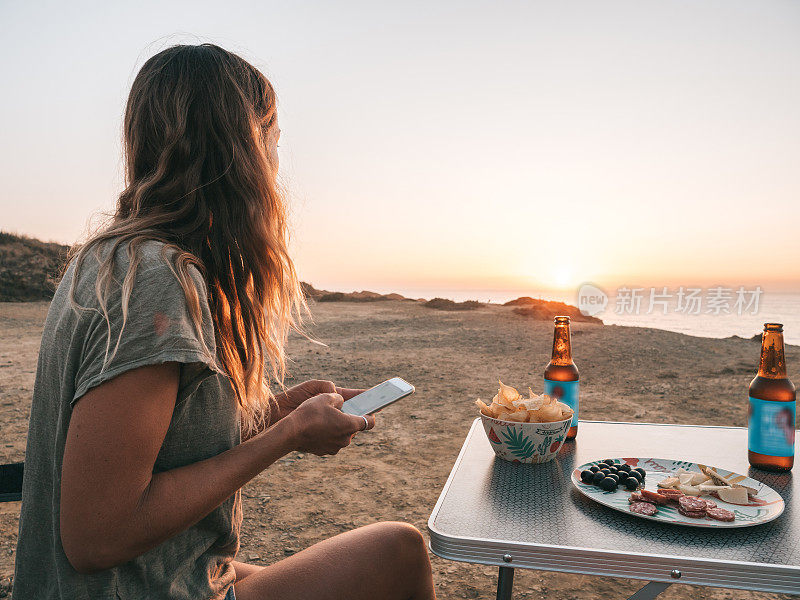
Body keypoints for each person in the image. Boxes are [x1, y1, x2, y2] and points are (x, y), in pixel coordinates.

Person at [12, 43, 436, 600]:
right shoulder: (154, 281)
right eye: (273, 142)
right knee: (397, 553)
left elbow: (158, 446)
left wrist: (275, 413)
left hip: (170, 572)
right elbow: (96, 537)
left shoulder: (117, 259)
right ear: (243, 151)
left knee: (255, 567)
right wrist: (286, 437)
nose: (278, 166)